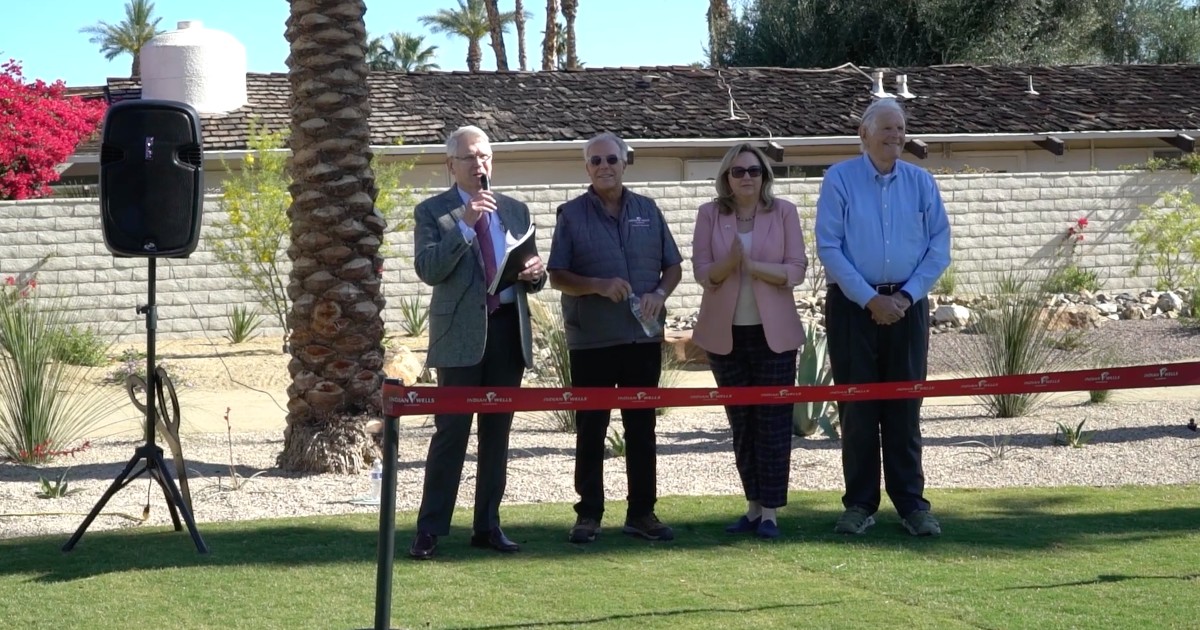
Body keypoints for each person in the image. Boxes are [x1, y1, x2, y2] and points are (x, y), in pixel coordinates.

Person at [815, 98, 951, 537]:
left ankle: (912, 505)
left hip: (908, 308)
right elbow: (829, 246)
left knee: (905, 410)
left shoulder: (921, 182)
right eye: (887, 128)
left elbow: (938, 247)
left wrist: (907, 297)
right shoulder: (839, 179)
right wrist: (870, 299)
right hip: (854, 309)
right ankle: (859, 504)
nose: (896, 136)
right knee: (857, 410)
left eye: (901, 128)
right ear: (864, 134)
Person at [409, 125, 547, 559]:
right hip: (460, 337)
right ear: (451, 165)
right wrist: (466, 226)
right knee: (451, 433)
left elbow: (532, 270)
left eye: (484, 156)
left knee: (497, 434)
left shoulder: (515, 209)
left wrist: (536, 274)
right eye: (468, 157)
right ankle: (431, 529)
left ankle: (488, 525)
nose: (478, 164)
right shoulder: (433, 212)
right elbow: (429, 269)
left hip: (508, 332)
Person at [547, 131, 683, 544]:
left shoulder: (648, 210)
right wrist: (597, 286)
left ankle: (642, 514)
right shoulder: (570, 215)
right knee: (592, 427)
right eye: (595, 161)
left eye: (611, 159)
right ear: (587, 168)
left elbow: (673, 266)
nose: (604, 167)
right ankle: (588, 515)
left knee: (642, 427)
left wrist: (660, 294)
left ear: (625, 163)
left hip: (642, 340)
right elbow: (557, 276)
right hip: (593, 341)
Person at [690, 143, 808, 539]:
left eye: (754, 171)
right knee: (742, 424)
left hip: (774, 335)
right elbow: (703, 272)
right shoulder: (710, 214)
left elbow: (797, 270)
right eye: (738, 171)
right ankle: (753, 507)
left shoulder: (784, 212)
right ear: (726, 177)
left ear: (764, 177)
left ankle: (772, 511)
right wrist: (730, 264)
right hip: (725, 337)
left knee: (773, 424)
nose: (746, 178)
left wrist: (754, 266)